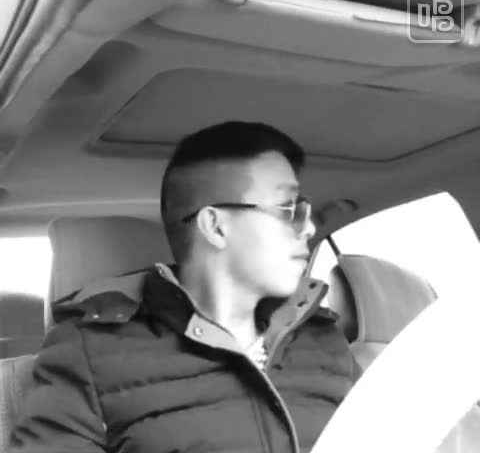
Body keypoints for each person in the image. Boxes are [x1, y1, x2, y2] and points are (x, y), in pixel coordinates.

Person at [9, 122, 361, 453]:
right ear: (216, 227)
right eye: (288, 209)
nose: (308, 228)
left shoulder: (324, 340)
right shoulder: (88, 351)